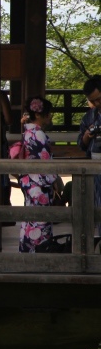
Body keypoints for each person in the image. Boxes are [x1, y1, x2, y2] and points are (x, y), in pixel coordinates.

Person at [19, 96, 60, 253]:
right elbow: (44, 163)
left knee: (31, 220)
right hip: (39, 184)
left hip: (30, 181)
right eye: (48, 113)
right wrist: (54, 180)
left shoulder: (28, 132)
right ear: (38, 115)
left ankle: (28, 252)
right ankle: (39, 254)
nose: (50, 117)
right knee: (40, 221)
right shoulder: (37, 134)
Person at [78, 75, 101, 233]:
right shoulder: (89, 117)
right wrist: (87, 136)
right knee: (97, 207)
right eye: (94, 101)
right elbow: (81, 144)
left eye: (99, 99)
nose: (97, 103)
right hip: (94, 166)